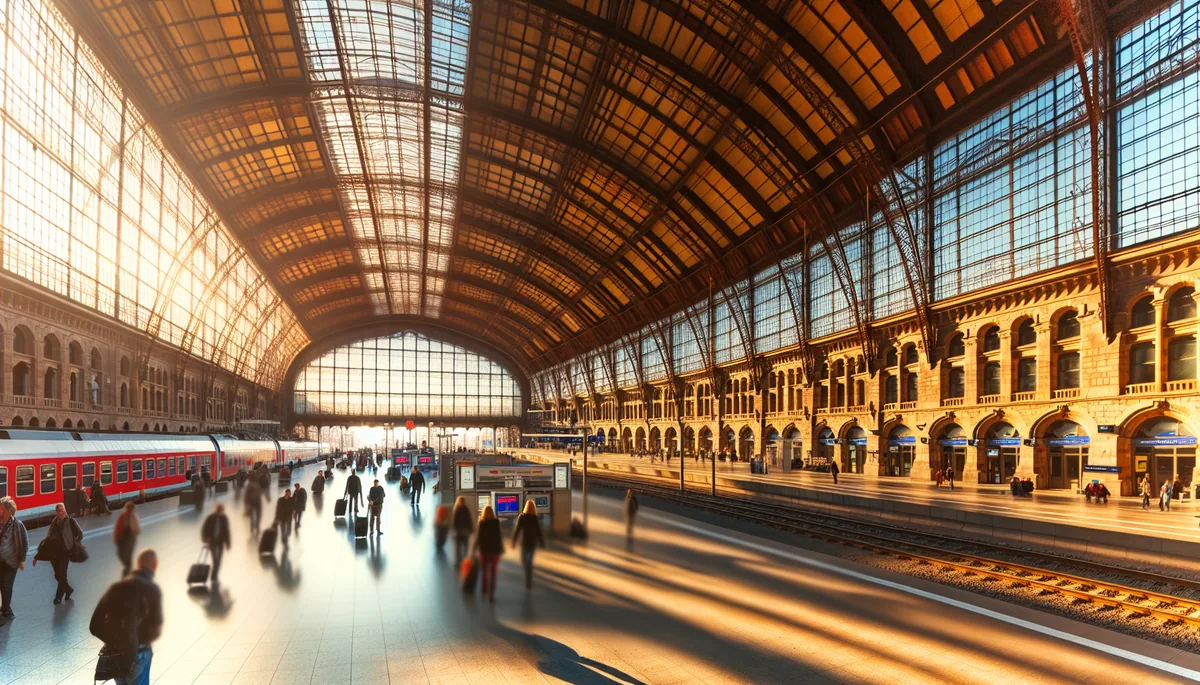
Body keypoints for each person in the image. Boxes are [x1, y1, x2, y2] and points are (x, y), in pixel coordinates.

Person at [89, 549, 162, 685]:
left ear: (137, 564)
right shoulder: (152, 589)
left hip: (118, 656)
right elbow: (155, 627)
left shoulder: (115, 588)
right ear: (154, 565)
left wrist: (116, 640)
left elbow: (94, 626)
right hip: (139, 653)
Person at [33, 503, 82, 604]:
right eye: (59, 511)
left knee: (62, 575)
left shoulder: (71, 521)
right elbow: (48, 538)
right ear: (56, 512)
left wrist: (73, 544)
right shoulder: (54, 522)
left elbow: (80, 534)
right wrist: (37, 556)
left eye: (63, 510)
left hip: (65, 552)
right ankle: (68, 590)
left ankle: (58, 596)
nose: (62, 512)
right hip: (54, 553)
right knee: (57, 575)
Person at [0, 497, 27, 626]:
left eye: (2, 508)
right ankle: (6, 609)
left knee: (7, 586)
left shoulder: (18, 525)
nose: (0, 510)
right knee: (1, 586)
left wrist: (22, 560)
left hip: (11, 561)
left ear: (10, 511)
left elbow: (25, 543)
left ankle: (5, 611)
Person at [511, 500, 545, 590]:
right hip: (532, 542)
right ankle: (529, 579)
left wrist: (514, 541)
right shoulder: (534, 518)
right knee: (529, 562)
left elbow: (517, 530)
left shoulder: (522, 517)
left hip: (524, 542)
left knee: (524, 561)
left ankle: (528, 579)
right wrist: (541, 541)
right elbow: (538, 531)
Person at [472, 506, 504, 602]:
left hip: (484, 551)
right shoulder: (496, 522)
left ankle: (484, 591)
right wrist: (501, 549)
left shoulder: (482, 523)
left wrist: (474, 549)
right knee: (493, 572)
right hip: (495, 551)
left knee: (485, 571)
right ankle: (492, 593)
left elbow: (479, 537)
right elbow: (499, 537)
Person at [201, 504, 231, 585]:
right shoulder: (211, 518)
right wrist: (205, 537)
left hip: (220, 541)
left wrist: (228, 543)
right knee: (215, 559)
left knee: (219, 559)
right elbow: (205, 528)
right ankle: (214, 576)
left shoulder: (224, 518)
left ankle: (214, 575)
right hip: (212, 541)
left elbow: (227, 531)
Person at [114, 502, 140, 577]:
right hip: (123, 537)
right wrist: (116, 537)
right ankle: (128, 567)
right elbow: (118, 527)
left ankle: (128, 569)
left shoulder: (133, 517)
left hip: (131, 538)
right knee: (120, 554)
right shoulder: (122, 516)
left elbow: (137, 529)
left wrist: (135, 533)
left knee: (128, 554)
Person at [452, 496, 474, 563]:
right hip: (463, 531)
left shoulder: (457, 509)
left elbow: (455, 521)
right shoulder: (465, 509)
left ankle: (460, 561)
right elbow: (469, 520)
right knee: (464, 547)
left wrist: (471, 529)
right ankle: (463, 560)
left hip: (462, 531)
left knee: (460, 547)